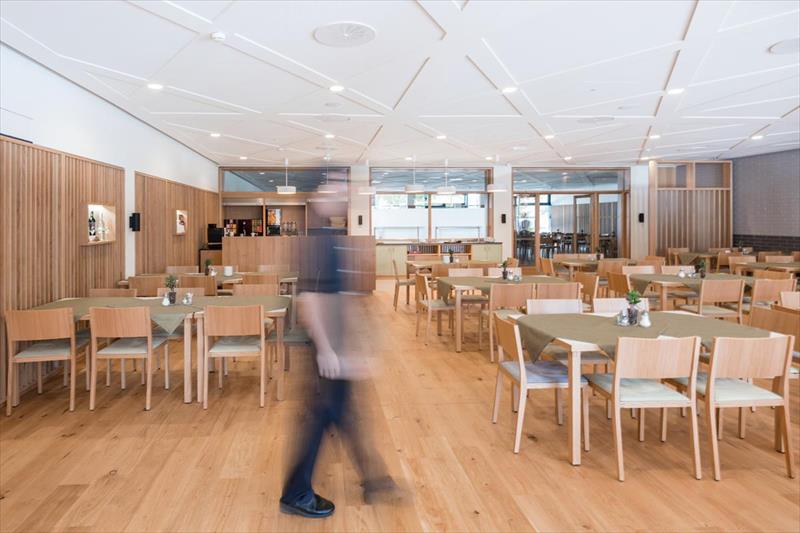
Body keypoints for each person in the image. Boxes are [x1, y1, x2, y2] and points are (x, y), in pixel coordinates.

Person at [279, 228, 395, 518]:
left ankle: (372, 476)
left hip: (336, 347)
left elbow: (337, 296)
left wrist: (352, 346)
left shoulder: (330, 236)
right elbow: (309, 298)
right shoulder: (318, 239)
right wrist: (326, 349)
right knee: (325, 415)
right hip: (328, 349)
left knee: (343, 413)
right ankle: (296, 493)